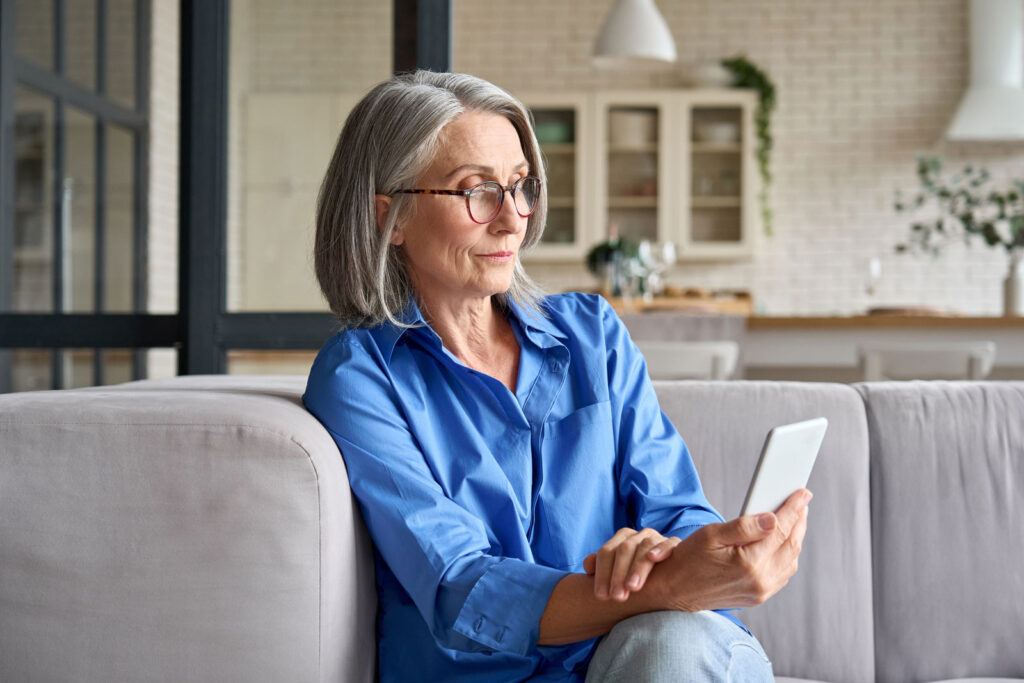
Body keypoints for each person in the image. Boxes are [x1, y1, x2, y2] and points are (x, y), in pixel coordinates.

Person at [303, 71, 809, 682]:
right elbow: (460, 587)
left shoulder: (591, 334)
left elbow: (676, 510)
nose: (513, 219)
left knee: (672, 646)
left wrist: (673, 557)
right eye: (478, 191)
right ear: (393, 217)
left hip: (648, 655)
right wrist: (663, 583)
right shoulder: (363, 376)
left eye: (521, 188)